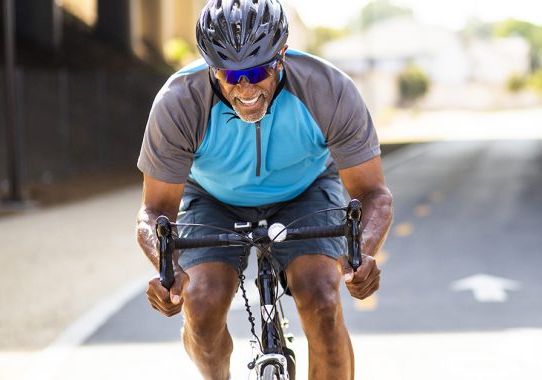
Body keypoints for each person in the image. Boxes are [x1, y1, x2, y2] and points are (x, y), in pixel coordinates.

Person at [135, 0, 393, 379]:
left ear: (282, 56)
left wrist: (361, 256)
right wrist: (168, 271)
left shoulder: (328, 89)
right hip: (212, 198)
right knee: (202, 307)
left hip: (304, 193)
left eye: (257, 70)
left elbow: (374, 194)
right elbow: (153, 210)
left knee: (322, 300)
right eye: (229, 74)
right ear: (211, 67)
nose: (245, 87)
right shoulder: (179, 103)